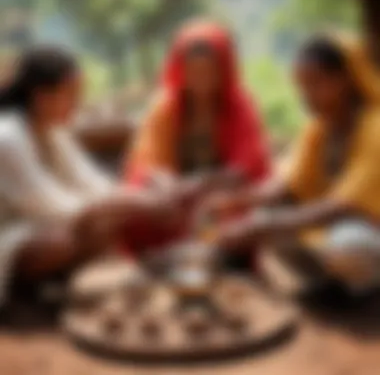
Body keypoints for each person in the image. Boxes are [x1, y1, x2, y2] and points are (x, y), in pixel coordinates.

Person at [0, 46, 185, 306]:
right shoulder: (7, 138)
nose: (78, 103)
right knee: (69, 238)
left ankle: (54, 284)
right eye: (72, 95)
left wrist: (146, 195)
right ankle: (23, 291)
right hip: (9, 237)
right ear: (42, 97)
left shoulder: (53, 132)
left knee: (107, 222)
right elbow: (53, 206)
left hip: (39, 223)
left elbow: (94, 184)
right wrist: (135, 203)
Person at [209, 33, 380, 292]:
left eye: (314, 84)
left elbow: (344, 205)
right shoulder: (319, 130)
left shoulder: (374, 128)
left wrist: (264, 224)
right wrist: (240, 201)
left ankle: (365, 286)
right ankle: (332, 285)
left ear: (344, 80)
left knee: (348, 245)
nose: (306, 96)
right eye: (302, 86)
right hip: (335, 228)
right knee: (265, 221)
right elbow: (288, 185)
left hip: (366, 231)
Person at [122, 21, 271, 265]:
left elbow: (245, 169)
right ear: (180, 71)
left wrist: (198, 185)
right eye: (193, 71)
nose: (200, 79)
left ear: (223, 70)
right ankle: (173, 255)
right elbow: (148, 161)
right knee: (138, 211)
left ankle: (209, 255)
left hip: (223, 200)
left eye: (208, 70)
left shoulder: (241, 107)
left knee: (234, 222)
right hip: (177, 199)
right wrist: (169, 186)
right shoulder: (165, 108)